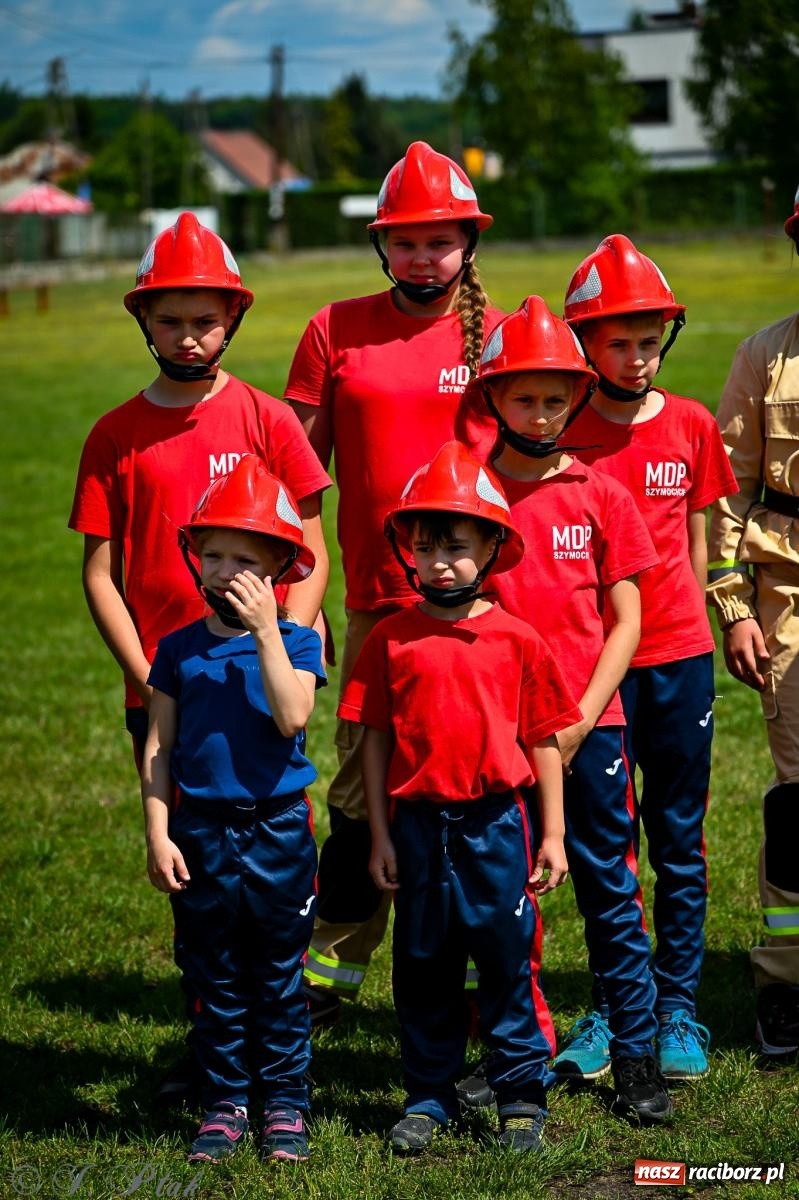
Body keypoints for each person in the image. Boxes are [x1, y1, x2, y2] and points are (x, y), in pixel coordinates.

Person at [69, 212, 331, 1101]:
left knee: (270, 865)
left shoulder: (263, 415)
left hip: (261, 680)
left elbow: (311, 544)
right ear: (143, 321)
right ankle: (213, 1055)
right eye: (171, 318)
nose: (189, 335)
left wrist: (287, 640)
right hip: (168, 686)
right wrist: (146, 672)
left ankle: (278, 1060)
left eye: (206, 319)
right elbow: (99, 570)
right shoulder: (115, 433)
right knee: (194, 876)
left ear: (234, 321)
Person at [284, 142, 500, 1020]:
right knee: (354, 797)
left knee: (480, 794)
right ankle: (328, 979)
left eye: (439, 242)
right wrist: (305, 603)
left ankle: (486, 979)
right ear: (382, 247)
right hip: (377, 605)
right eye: (405, 242)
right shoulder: (333, 329)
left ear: (467, 245)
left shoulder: (504, 332)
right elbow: (294, 485)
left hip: (485, 610)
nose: (422, 258)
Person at [340, 441, 581, 1153]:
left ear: (493, 546)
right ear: (405, 552)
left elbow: (543, 741)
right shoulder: (389, 639)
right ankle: (426, 1095)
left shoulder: (517, 640)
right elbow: (374, 743)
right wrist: (381, 836)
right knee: (422, 965)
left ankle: (519, 1097)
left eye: (456, 544)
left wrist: (553, 833)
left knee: (506, 961)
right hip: (416, 829)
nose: (438, 560)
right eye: (423, 546)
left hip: (494, 828)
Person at [466, 295, 671, 1124]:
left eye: (556, 397)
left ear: (577, 398)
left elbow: (627, 619)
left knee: (610, 894)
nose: (542, 413)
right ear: (491, 399)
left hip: (592, 732)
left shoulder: (600, 493)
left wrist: (582, 714)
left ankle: (636, 1057)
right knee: (503, 900)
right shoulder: (467, 492)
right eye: (523, 398)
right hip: (495, 738)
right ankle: (516, 1055)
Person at [560, 234, 738, 1081]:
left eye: (647, 339)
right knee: (603, 843)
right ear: (582, 342)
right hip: (591, 670)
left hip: (677, 661)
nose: (635, 358)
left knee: (676, 836)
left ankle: (677, 1009)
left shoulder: (693, 424)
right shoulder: (561, 433)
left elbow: (697, 550)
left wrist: (693, 631)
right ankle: (612, 1004)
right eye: (616, 341)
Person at [141, 456, 326, 1164]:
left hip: (277, 831)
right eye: (211, 554)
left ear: (280, 565)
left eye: (243, 559)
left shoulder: (298, 642)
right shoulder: (178, 650)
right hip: (200, 831)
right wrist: (159, 833)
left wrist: (266, 633)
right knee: (212, 972)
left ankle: (284, 1102)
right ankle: (225, 1100)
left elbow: (290, 716)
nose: (222, 571)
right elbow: (159, 747)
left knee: (278, 974)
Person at [705, 185, 799, 1061]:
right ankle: (784, 983)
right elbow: (727, 487)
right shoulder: (763, 356)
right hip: (788, 596)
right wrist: (733, 607)